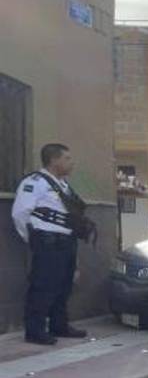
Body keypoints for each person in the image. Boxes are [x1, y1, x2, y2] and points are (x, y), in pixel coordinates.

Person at [11, 143, 95, 345]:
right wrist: (33, 238)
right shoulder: (35, 182)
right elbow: (20, 213)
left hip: (66, 241)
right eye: (67, 158)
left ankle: (59, 325)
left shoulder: (63, 185)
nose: (71, 162)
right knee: (43, 286)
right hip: (47, 242)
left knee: (63, 286)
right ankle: (35, 330)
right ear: (53, 160)